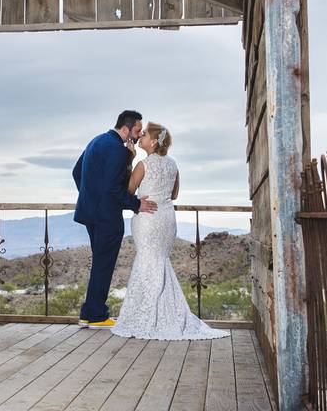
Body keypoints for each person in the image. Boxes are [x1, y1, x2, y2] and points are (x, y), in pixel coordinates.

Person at [111, 122, 228, 340]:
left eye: (144, 134)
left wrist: (130, 158)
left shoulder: (142, 164)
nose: (141, 136)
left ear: (153, 142)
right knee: (159, 262)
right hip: (166, 218)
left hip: (147, 219)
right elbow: (174, 195)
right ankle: (164, 313)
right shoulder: (173, 164)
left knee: (147, 261)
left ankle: (144, 315)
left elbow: (128, 191)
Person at [72, 110, 157, 328]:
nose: (139, 136)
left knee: (100, 263)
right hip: (107, 217)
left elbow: (76, 172)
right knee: (104, 264)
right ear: (126, 129)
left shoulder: (97, 141)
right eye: (137, 131)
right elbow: (114, 188)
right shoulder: (118, 150)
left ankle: (87, 314)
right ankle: (97, 316)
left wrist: (90, 197)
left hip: (89, 213)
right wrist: (137, 204)